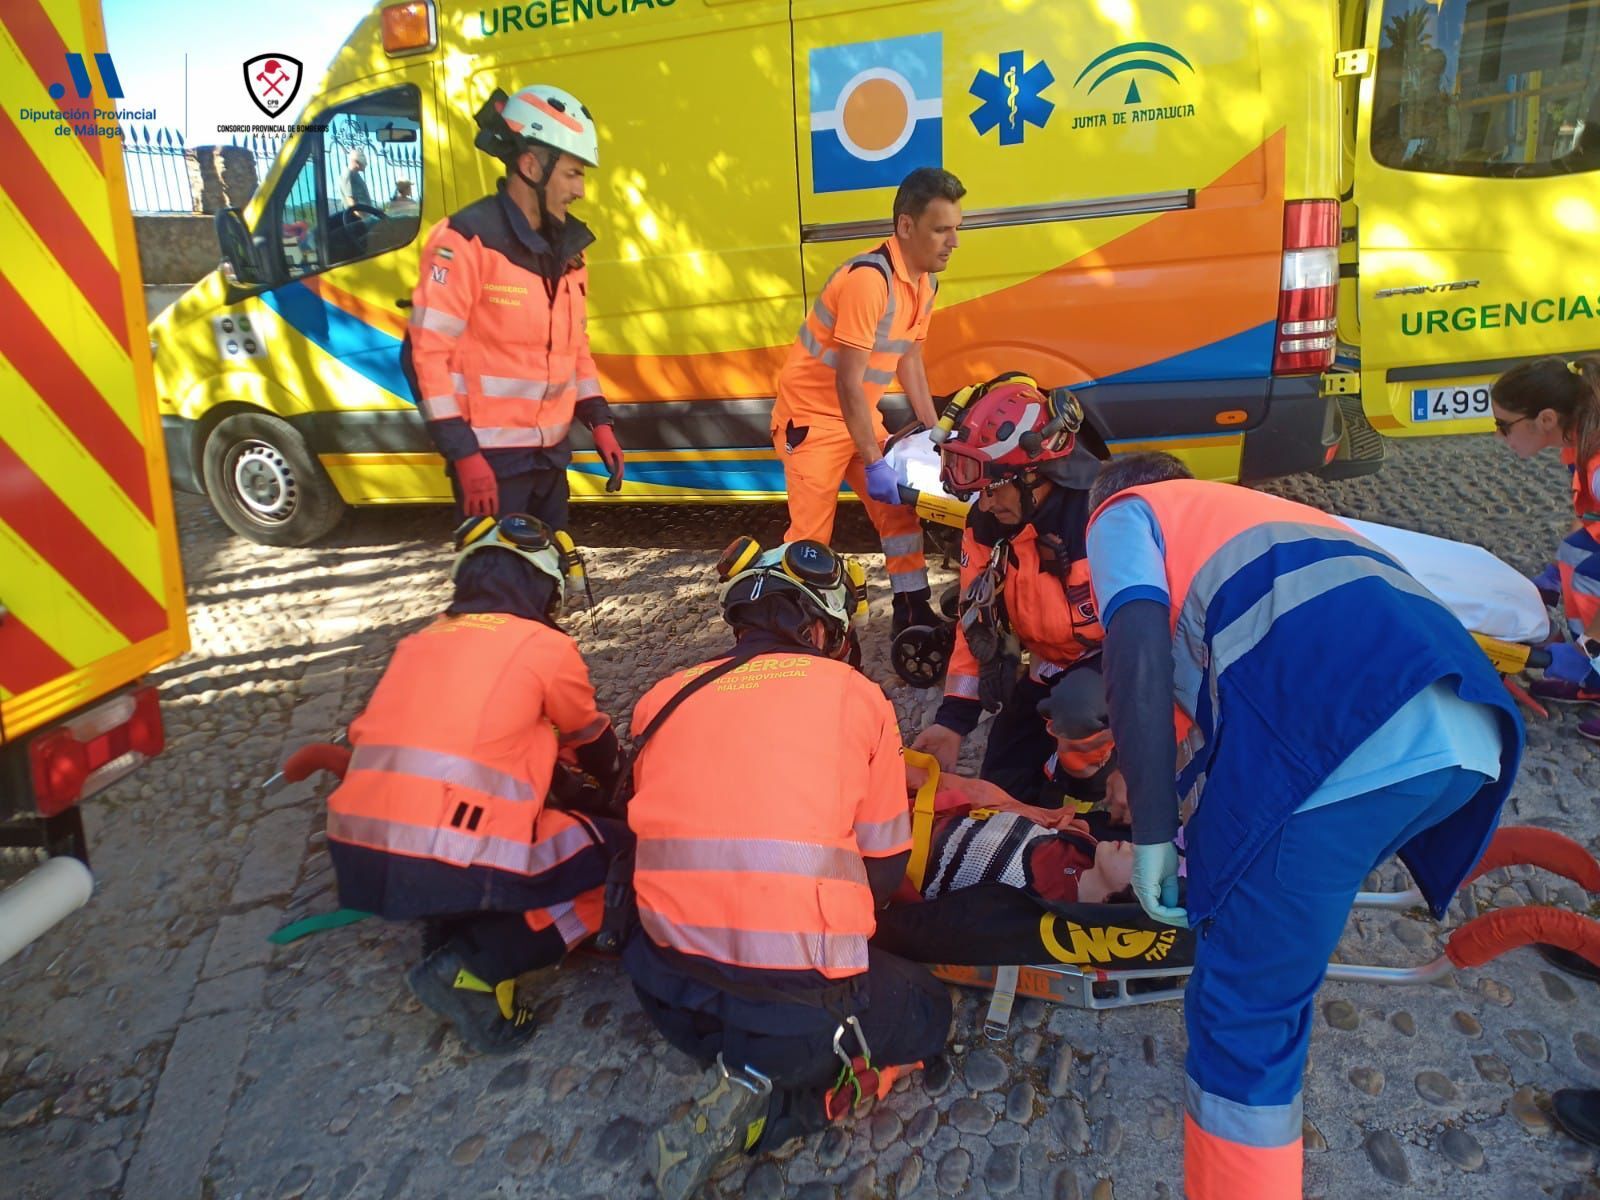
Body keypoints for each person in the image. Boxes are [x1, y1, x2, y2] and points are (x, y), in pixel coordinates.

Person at [1084, 452, 1523, 1200]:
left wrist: (1155, 828)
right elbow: (1222, 708)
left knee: (1244, 1016)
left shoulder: (1127, 515)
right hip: (1466, 739)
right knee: (1267, 912)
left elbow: (1135, 653)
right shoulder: (1259, 517)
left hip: (1348, 741)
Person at [622, 537, 951, 1200]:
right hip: (793, 1012)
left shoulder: (661, 697)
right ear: (817, 627)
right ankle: (773, 1107)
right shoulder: (855, 697)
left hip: (664, 988)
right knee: (926, 1010)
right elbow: (884, 873)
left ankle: (747, 1059)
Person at [324, 513, 627, 1054]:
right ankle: (475, 967)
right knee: (622, 856)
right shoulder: (541, 645)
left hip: (363, 854)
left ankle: (454, 928)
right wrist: (618, 792)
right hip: (453, 852)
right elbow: (590, 737)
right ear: (545, 586)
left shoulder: (419, 641)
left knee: (505, 836)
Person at [402, 84, 625, 529]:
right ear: (530, 166)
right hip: (490, 463)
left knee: (547, 582)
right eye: (573, 174)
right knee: (495, 589)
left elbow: (572, 348)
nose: (580, 190)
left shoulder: (568, 252)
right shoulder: (465, 241)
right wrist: (463, 454)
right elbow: (423, 355)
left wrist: (598, 420)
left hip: (549, 457)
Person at [771, 166, 964, 634]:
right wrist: (875, 459)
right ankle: (798, 632)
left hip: (856, 418)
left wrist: (935, 432)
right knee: (811, 538)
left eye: (956, 229)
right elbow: (847, 383)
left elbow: (910, 361)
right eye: (942, 229)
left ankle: (912, 610)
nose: (953, 242)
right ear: (905, 226)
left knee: (900, 511)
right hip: (812, 422)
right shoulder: (868, 281)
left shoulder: (924, 284)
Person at [909, 376, 1113, 808]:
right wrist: (953, 721)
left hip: (1121, 671)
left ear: (1038, 475)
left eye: (994, 489)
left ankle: (1100, 816)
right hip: (1051, 666)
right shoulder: (988, 526)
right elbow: (973, 620)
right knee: (1004, 777)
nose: (984, 506)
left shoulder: (1105, 519)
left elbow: (1158, 637)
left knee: (1077, 719)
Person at [1490, 356, 1600, 729]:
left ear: (1547, 419)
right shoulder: (1582, 441)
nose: (1497, 435)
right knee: (1576, 555)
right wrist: (1555, 574)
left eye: (1503, 425)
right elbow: (1590, 517)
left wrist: (1592, 645)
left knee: (1587, 570)